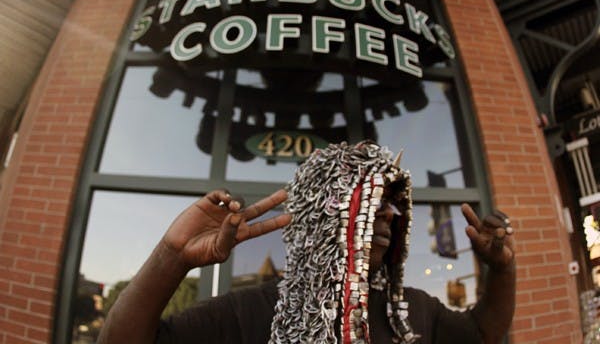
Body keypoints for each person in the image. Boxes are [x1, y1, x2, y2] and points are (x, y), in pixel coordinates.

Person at [97, 142, 515, 344]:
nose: (391, 213)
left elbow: (481, 334)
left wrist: (501, 270)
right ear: (324, 214)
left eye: (394, 205)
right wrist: (171, 258)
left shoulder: (412, 310)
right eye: (374, 200)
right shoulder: (250, 313)